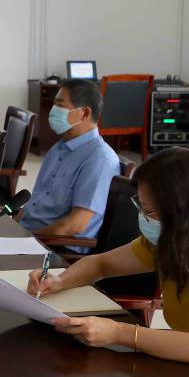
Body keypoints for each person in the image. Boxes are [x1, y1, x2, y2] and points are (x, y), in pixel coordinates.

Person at [29, 148, 189, 377]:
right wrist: (59, 281)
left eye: (149, 211)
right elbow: (101, 264)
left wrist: (119, 333)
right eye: (140, 206)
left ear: (184, 215)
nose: (143, 218)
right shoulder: (173, 242)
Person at [18, 79, 119, 251]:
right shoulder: (59, 148)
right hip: (28, 234)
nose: (53, 111)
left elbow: (74, 225)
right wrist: (12, 228)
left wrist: (26, 240)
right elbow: (35, 202)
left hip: (56, 246)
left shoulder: (99, 160)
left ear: (85, 113)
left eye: (60, 105)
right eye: (54, 104)